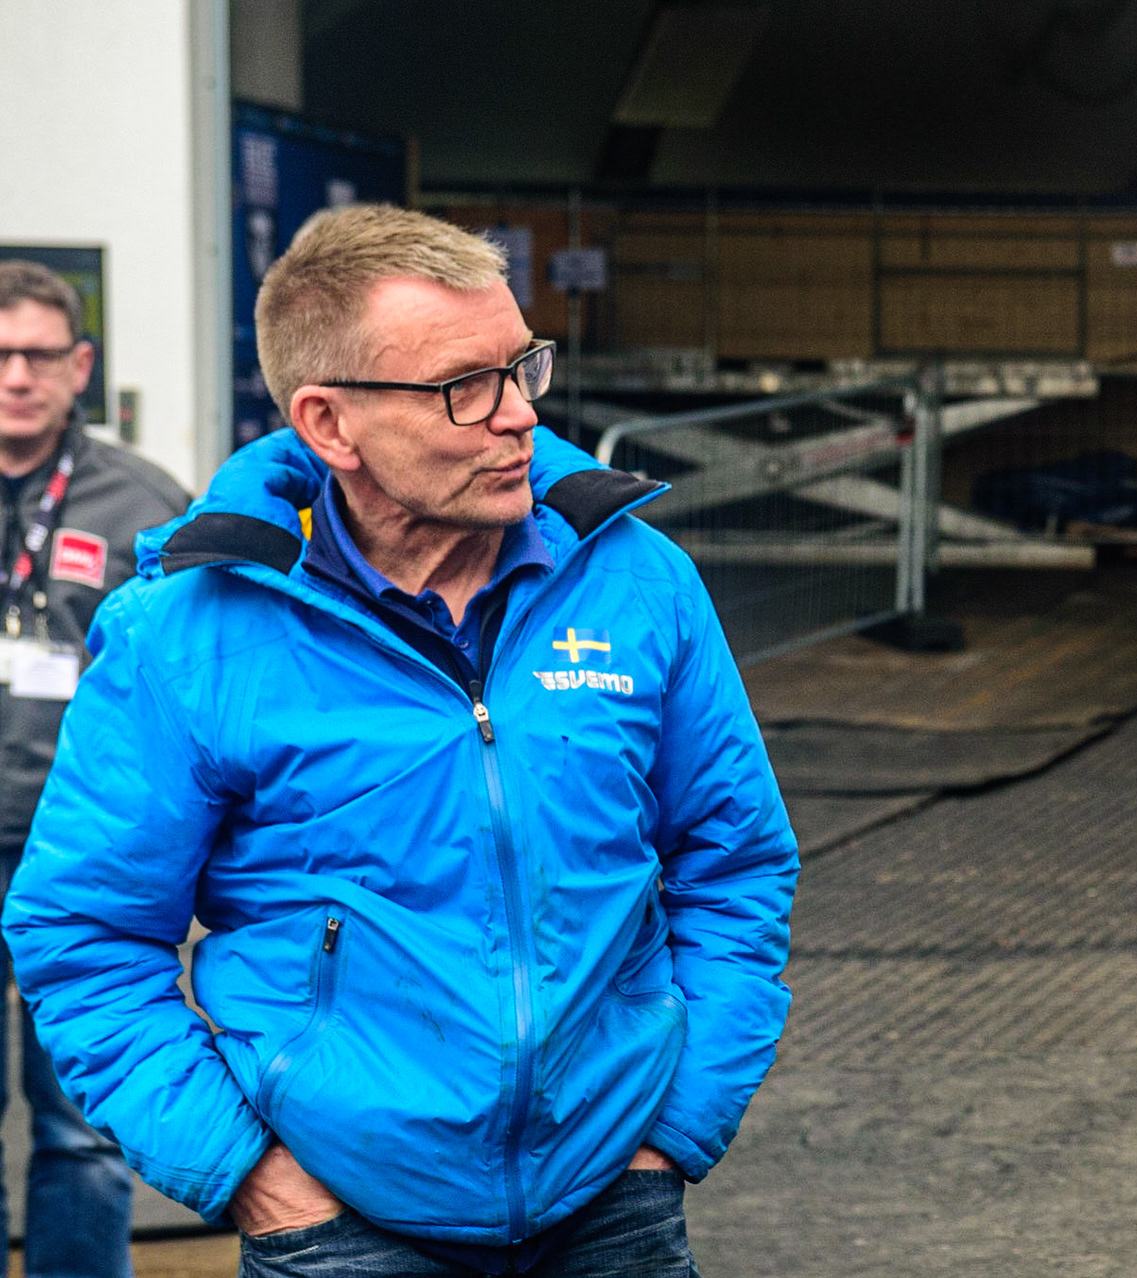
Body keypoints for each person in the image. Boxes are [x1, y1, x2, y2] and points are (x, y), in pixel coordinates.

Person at [3, 207, 798, 1276]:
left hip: (615, 1208)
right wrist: (252, 1178)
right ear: (330, 425)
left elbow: (736, 862)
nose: (518, 415)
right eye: (464, 387)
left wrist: (677, 1130)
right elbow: (85, 933)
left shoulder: (637, 579)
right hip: (339, 1232)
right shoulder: (187, 635)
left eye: (522, 367)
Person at [0, 260, 188, 1278]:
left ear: (80, 366)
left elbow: (192, 680)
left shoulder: (144, 506)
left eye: (38, 355)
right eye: (0, 355)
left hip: (83, 855)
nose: (17, 376)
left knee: (82, 1126)